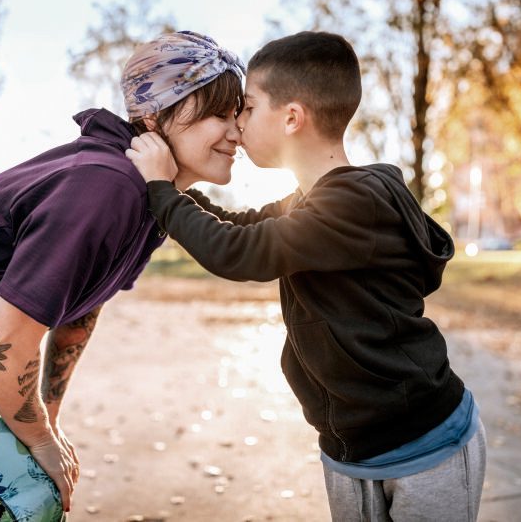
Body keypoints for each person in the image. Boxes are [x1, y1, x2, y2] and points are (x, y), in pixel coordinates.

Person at [0, 30, 244, 521]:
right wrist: (38, 437)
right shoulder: (107, 186)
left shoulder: (150, 195)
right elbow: (1, 340)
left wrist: (50, 417)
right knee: (33, 498)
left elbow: (81, 312)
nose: (236, 132)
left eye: (237, 114)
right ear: (154, 114)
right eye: (217, 113)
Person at [126, 31, 487, 522]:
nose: (237, 122)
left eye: (248, 108)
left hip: (425, 441)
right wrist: (177, 183)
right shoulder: (312, 204)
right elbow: (242, 225)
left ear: (292, 117)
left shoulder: (353, 203)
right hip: (350, 448)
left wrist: (158, 191)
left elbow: (237, 252)